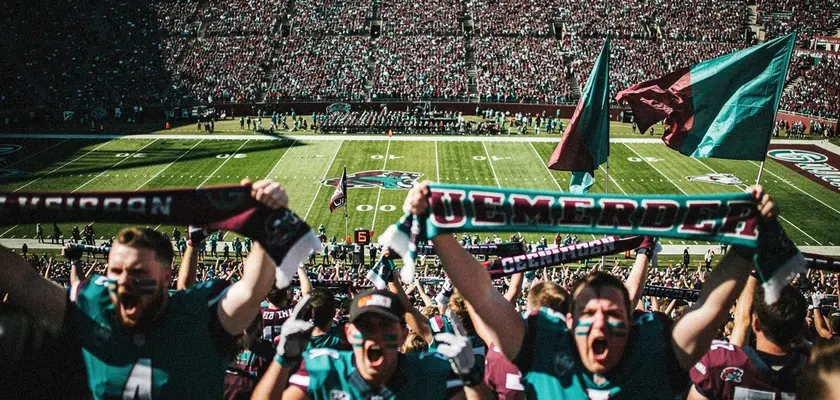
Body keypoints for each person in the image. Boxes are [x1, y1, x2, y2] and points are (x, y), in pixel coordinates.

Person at [401, 182, 779, 398]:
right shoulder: (543, 348)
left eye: (613, 315)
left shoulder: (659, 351)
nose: (600, 325)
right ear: (568, 320)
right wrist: (437, 230)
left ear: (632, 320)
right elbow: (480, 293)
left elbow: (711, 306)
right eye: (589, 315)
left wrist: (747, 240)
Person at [0, 179, 292, 399]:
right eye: (116, 270)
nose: (124, 280)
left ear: (167, 276)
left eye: (138, 272)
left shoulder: (200, 314)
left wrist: (262, 221)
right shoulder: (95, 304)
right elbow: (26, 283)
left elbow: (252, 290)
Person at [251, 289, 488, 399]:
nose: (376, 336)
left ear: (404, 334)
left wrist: (472, 378)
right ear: (349, 332)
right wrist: (282, 361)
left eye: (386, 326)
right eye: (365, 327)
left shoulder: (430, 371)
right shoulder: (324, 369)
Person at [688, 280, 809, 399]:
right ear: (801, 327)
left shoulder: (722, 363)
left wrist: (752, 274)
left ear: (755, 324)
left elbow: (743, 323)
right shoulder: (815, 371)